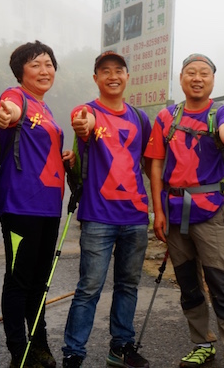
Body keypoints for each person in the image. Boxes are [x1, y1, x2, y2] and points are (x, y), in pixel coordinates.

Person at [145, 53, 224, 368]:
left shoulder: (222, 112)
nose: (197, 78)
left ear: (212, 80)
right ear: (181, 78)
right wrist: (158, 211)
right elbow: (156, 166)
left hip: (210, 210)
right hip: (175, 210)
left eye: (203, 73)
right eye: (191, 72)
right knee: (189, 283)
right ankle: (201, 343)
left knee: (221, 282)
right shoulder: (166, 118)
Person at [61, 51, 152, 368]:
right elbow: (80, 121)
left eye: (119, 70)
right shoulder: (88, 111)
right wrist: (82, 125)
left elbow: (150, 161)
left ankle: (122, 347)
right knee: (89, 287)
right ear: (96, 78)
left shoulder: (140, 119)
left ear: (127, 76)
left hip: (135, 216)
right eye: (105, 71)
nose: (113, 75)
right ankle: (74, 352)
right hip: (98, 216)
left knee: (128, 286)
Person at [0, 41, 73, 368]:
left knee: (40, 279)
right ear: (20, 72)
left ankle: (38, 344)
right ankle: (19, 349)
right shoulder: (15, 98)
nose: (44, 70)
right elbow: (8, 113)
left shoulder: (46, 109)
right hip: (21, 205)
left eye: (49, 64)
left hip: (48, 207)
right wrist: (8, 116)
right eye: (36, 65)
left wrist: (63, 157)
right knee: (19, 278)